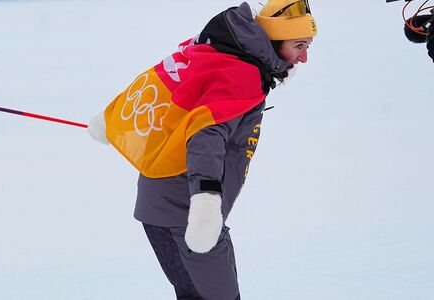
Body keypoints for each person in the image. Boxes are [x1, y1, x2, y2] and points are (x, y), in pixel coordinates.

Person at [87, 1, 316, 298]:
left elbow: (163, 85)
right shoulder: (241, 76)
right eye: (299, 45)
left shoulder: (219, 55)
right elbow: (204, 139)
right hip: (190, 216)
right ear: (273, 39)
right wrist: (206, 204)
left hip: (158, 205)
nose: (305, 57)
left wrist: (112, 119)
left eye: (308, 45)